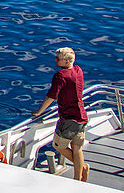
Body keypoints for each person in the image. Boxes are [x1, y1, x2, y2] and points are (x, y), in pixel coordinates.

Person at [31, 46, 90, 182]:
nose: (56, 60)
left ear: (67, 61)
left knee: (58, 146)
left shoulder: (60, 75)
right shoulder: (78, 70)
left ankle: (83, 167)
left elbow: (52, 96)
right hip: (81, 115)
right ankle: (78, 177)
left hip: (69, 118)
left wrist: (40, 111)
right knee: (77, 148)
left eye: (59, 59)